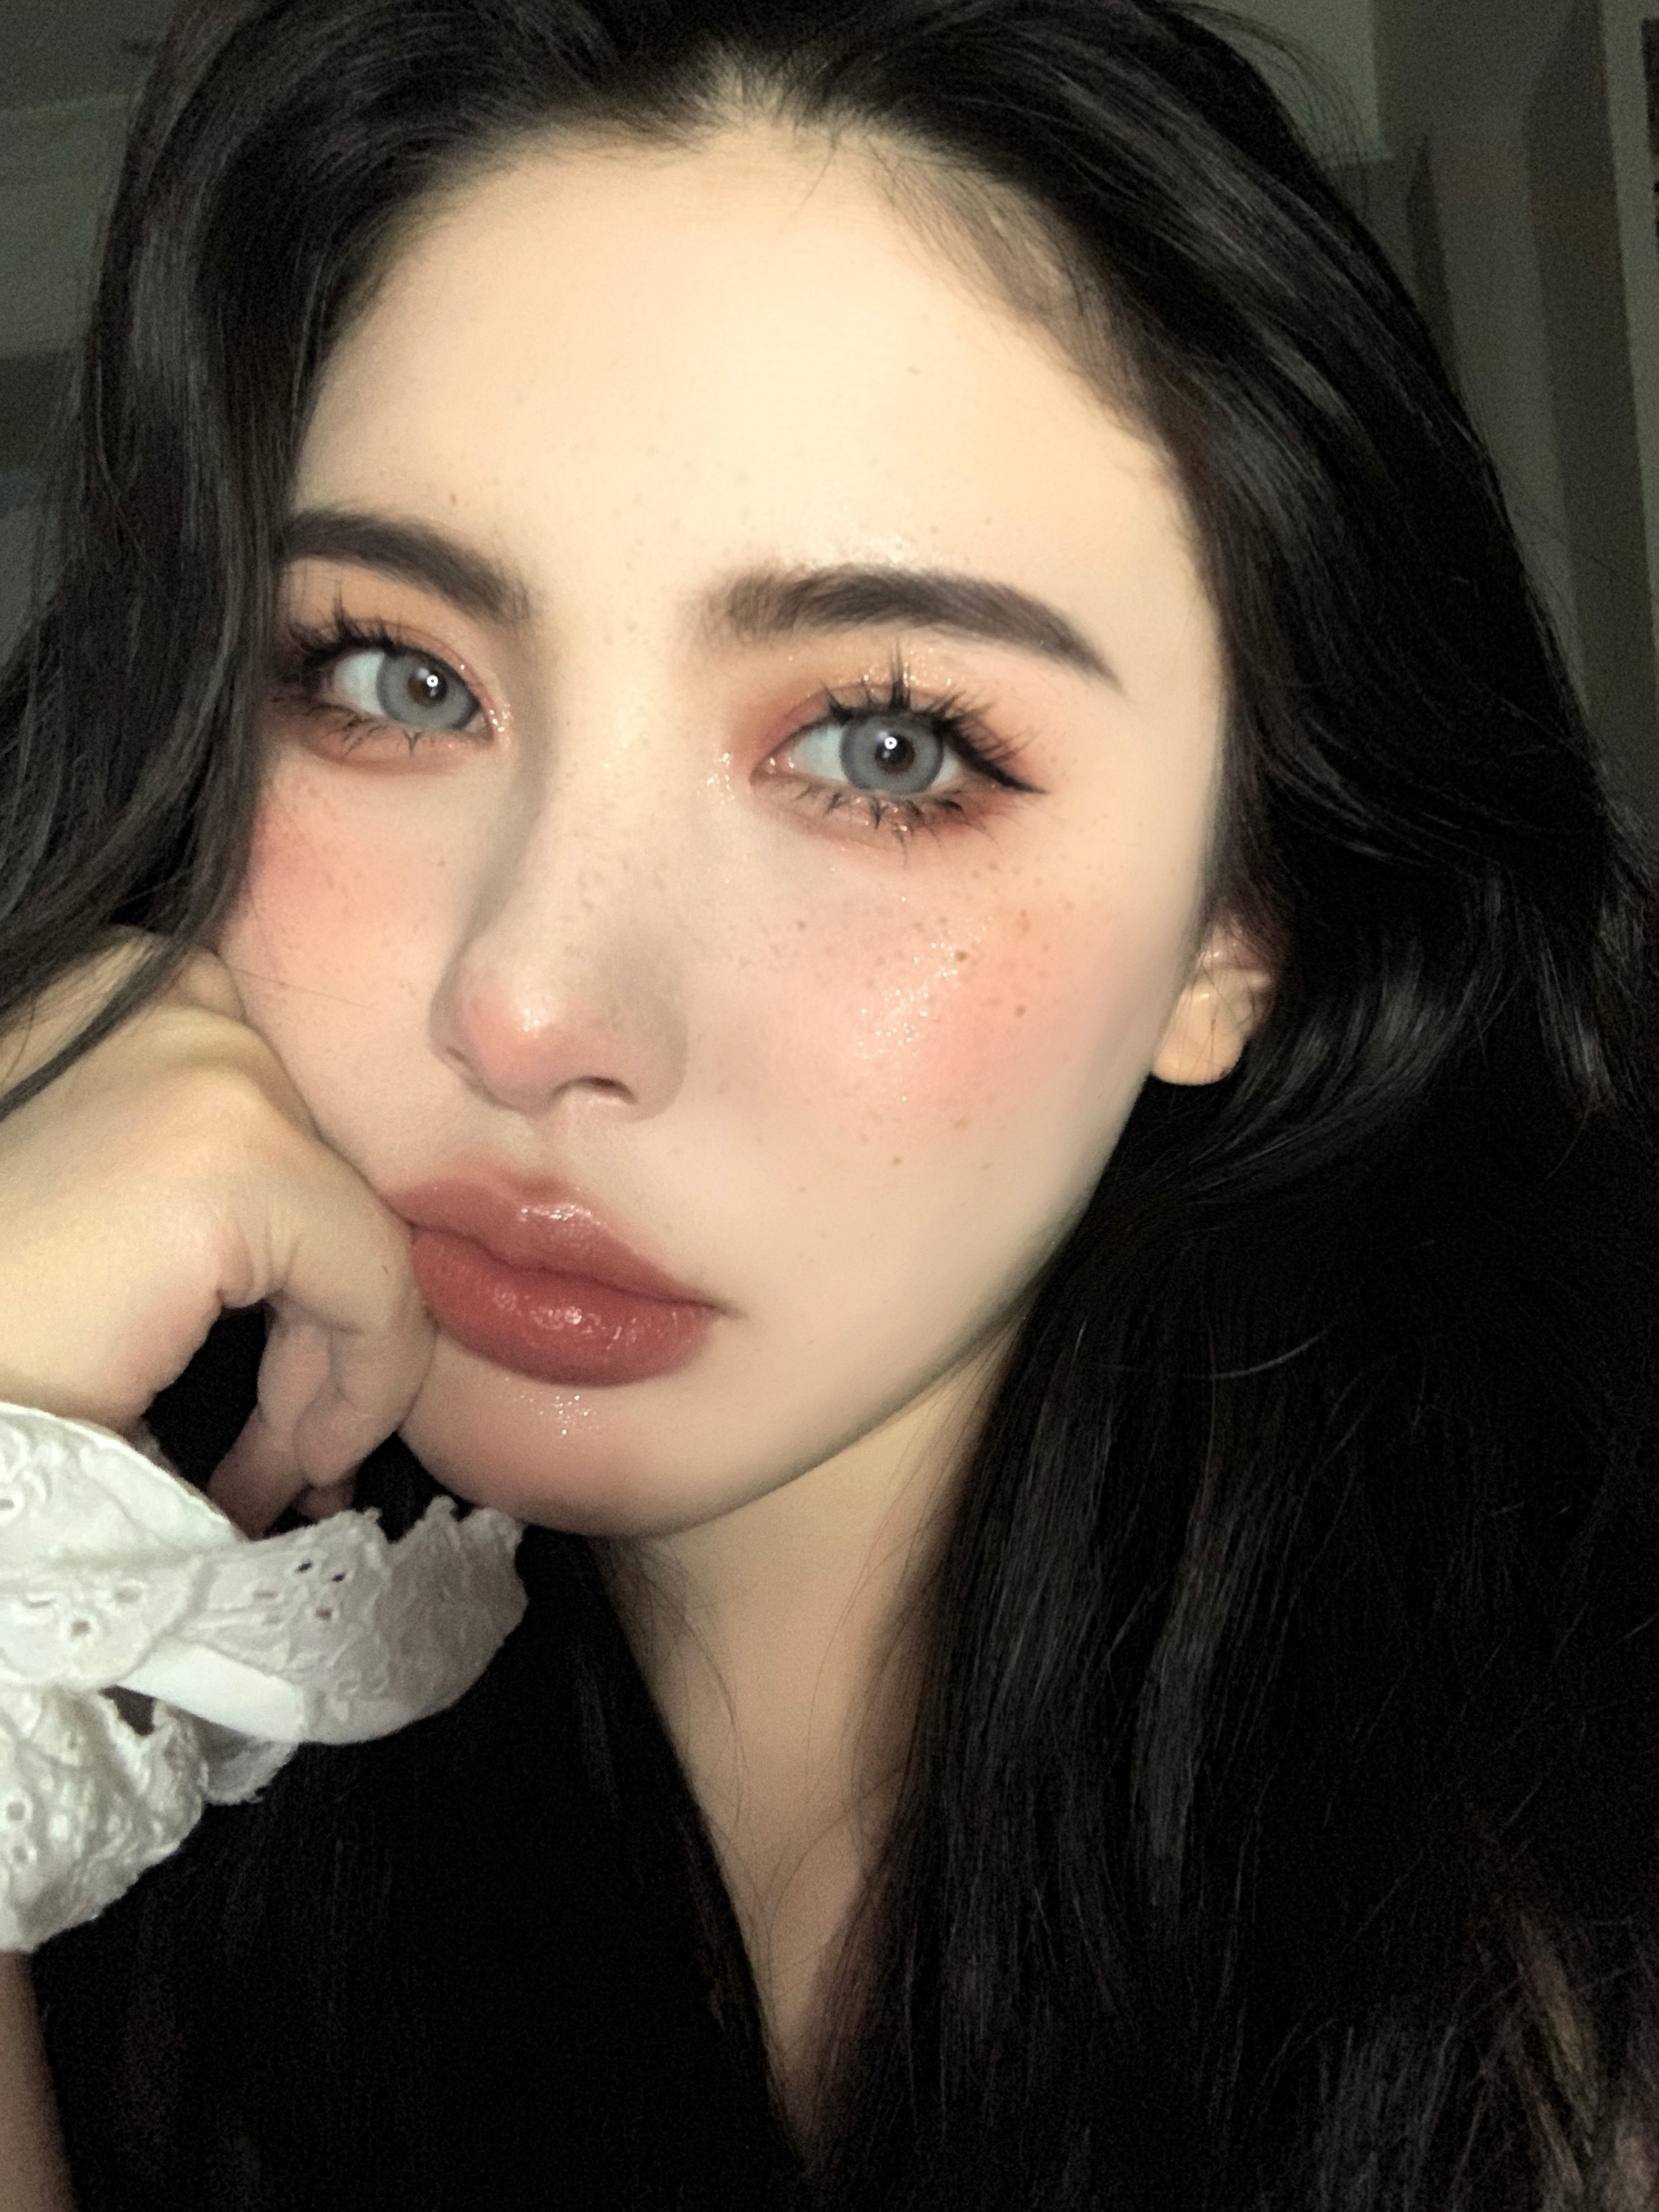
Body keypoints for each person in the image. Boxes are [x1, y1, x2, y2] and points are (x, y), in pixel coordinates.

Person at [0, 0, 1655, 2202]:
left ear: (1234, 924)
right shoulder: (149, 1751)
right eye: (397, 677)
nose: (529, 1008)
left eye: (885, 748)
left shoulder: (1568, 1933)